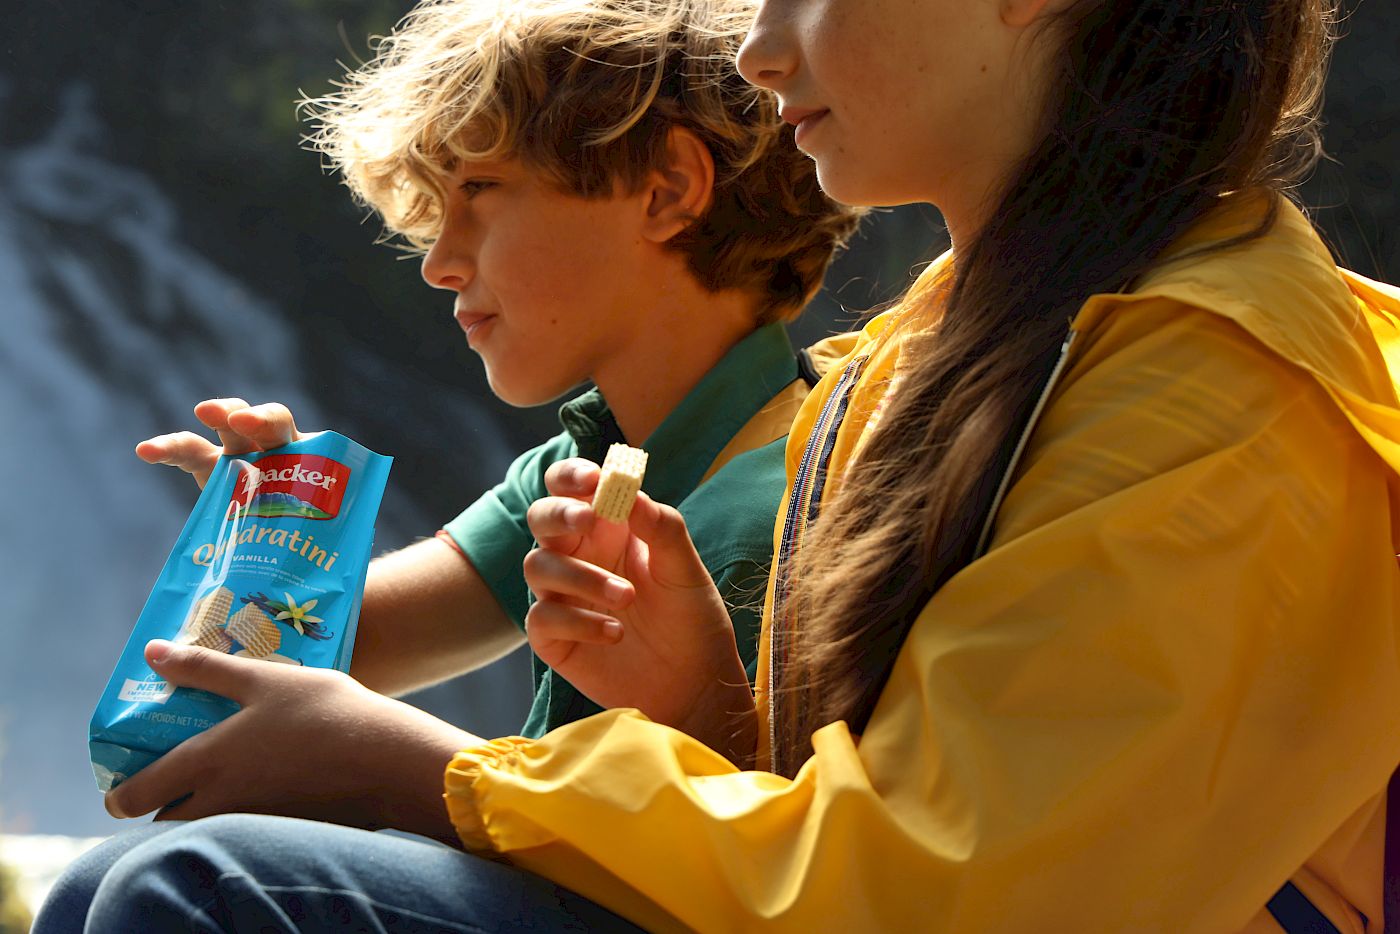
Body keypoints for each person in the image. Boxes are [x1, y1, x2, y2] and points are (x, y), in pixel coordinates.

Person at [41, 0, 1400, 931]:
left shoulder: (1213, 390)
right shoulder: (949, 352)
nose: (759, 45)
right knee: (109, 893)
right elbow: (925, 813)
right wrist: (274, 529)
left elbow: (951, 894)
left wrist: (424, 774)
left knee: (203, 891)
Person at [34, 0, 857, 929]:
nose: (439, 264)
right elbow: (349, 644)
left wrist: (383, 768)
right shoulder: (591, 458)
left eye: (480, 191)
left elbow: (722, 853)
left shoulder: (780, 493)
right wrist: (272, 540)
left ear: (667, 190)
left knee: (185, 883)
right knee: (91, 882)